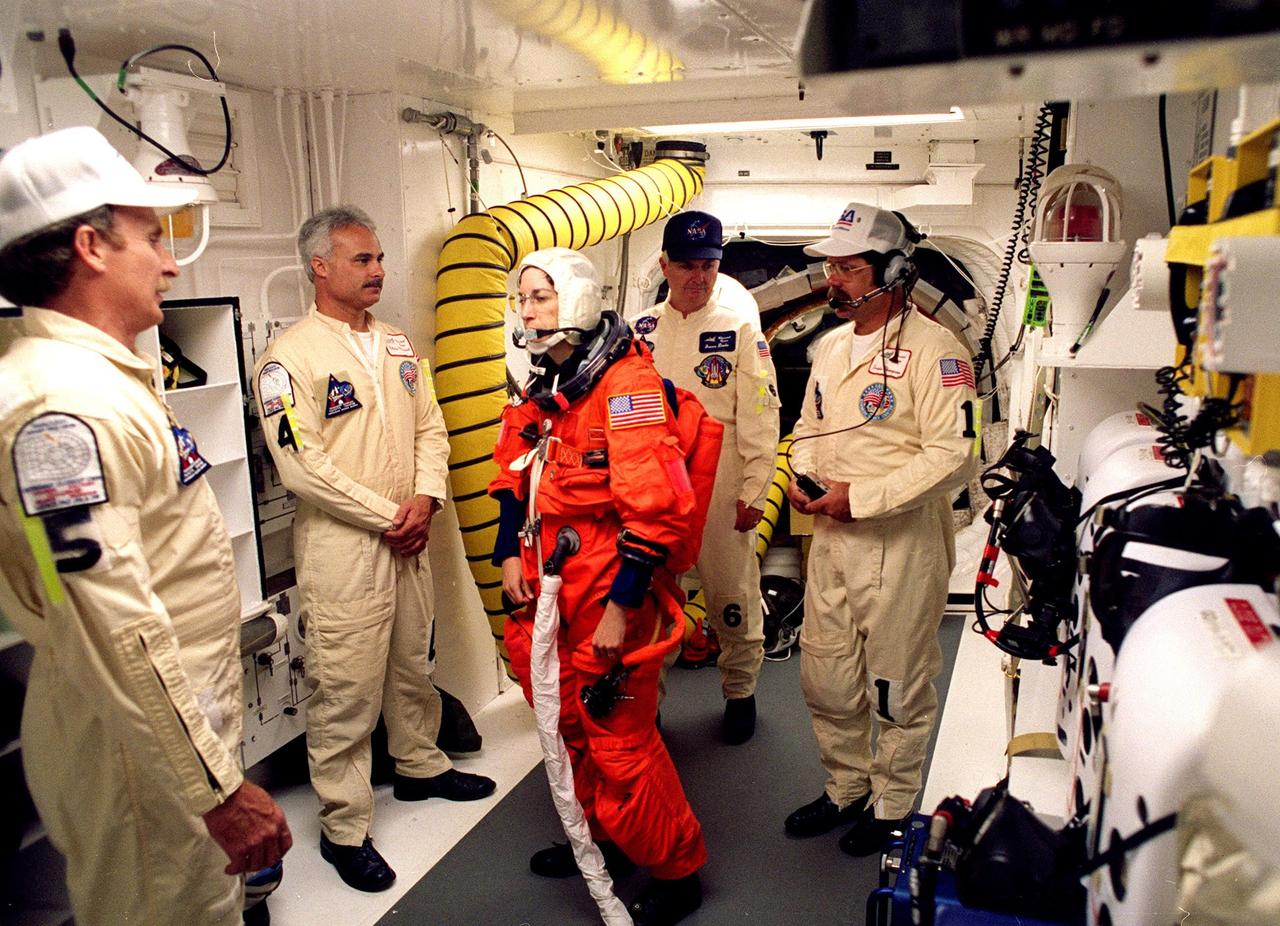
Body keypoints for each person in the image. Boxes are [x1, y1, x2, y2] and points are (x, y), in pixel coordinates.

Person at [0, 126, 292, 925]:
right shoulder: (59, 406)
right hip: (143, 764)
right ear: (91, 246)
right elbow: (113, 624)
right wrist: (217, 792)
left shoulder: (98, 378)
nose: (169, 263)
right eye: (152, 238)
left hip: (169, 734)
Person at [254, 205, 494, 893]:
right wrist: (390, 513)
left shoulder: (398, 345)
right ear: (319, 267)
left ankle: (420, 766)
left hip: (409, 535)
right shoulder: (288, 360)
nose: (379, 270)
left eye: (380, 258)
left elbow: (432, 430)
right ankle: (344, 825)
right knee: (347, 689)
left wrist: (424, 499)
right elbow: (302, 468)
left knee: (412, 665)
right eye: (362, 260)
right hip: (344, 547)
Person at [490, 247, 712, 926]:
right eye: (522, 299)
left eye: (542, 297)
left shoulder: (627, 387)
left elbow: (656, 508)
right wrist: (507, 558)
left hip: (608, 584)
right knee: (563, 722)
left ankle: (678, 870)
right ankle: (603, 839)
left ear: (579, 303)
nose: (527, 311)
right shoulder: (545, 386)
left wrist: (621, 608)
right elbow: (511, 473)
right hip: (549, 579)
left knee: (615, 734)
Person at [783, 203, 978, 857]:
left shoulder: (939, 352)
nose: (832, 279)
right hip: (833, 543)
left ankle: (892, 804)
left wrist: (858, 497)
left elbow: (954, 454)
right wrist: (804, 477)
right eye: (830, 266)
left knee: (896, 684)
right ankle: (846, 788)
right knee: (827, 676)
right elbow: (809, 428)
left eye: (847, 266)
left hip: (901, 544)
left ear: (893, 270)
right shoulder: (831, 347)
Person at [631, 210, 780, 744]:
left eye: (709, 265)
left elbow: (762, 415)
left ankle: (740, 691)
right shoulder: (640, 331)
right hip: (654, 488)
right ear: (666, 266)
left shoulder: (740, 328)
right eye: (688, 265)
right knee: (651, 600)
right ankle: (649, 707)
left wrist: (755, 489)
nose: (699, 276)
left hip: (721, 483)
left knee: (731, 596)